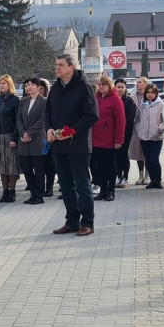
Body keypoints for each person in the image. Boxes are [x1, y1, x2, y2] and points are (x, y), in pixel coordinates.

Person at [48, 53, 100, 235]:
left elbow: (92, 116)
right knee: (65, 185)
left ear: (72, 67)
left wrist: (71, 131)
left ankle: (88, 222)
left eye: (61, 65)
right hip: (58, 146)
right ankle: (72, 221)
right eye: (56, 65)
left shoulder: (84, 87)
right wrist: (49, 129)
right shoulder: (55, 88)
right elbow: (48, 112)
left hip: (78, 145)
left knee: (82, 185)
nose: (57, 68)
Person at [16, 77, 50, 204]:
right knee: (26, 168)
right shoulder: (23, 101)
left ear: (39, 87)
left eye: (31, 85)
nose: (28, 87)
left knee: (39, 169)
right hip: (24, 141)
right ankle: (33, 193)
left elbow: (42, 120)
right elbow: (18, 119)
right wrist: (23, 133)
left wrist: (29, 133)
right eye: (26, 85)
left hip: (37, 139)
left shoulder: (45, 102)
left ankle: (39, 195)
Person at [91, 76, 125, 202]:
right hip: (96, 138)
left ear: (109, 86)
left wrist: (119, 140)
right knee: (98, 166)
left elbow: (121, 120)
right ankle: (103, 190)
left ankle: (111, 190)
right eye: (99, 84)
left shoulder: (115, 99)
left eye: (103, 85)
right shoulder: (96, 98)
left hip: (109, 139)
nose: (101, 87)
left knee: (110, 166)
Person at [0, 75, 22, 203]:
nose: (1, 86)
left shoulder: (15, 100)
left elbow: (17, 121)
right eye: (0, 84)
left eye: (4, 83)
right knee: (2, 166)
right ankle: (5, 191)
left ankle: (12, 191)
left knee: (11, 165)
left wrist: (14, 138)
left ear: (9, 85)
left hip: (10, 136)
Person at [135, 83, 164, 189]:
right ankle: (152, 180)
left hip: (156, 136)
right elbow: (137, 119)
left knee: (154, 159)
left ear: (156, 93)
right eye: (148, 92)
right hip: (144, 136)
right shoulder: (142, 105)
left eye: (152, 93)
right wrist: (138, 129)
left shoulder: (160, 104)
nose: (150, 95)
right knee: (148, 159)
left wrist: (159, 128)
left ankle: (158, 180)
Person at [114, 78, 136, 187]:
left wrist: (120, 124)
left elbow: (131, 117)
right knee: (116, 156)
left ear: (125, 88)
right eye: (118, 87)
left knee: (123, 154)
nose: (120, 89)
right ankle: (118, 176)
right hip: (113, 132)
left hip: (125, 132)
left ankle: (125, 177)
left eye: (122, 87)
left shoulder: (129, 101)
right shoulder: (112, 99)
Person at [129, 77, 150, 184]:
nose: (137, 84)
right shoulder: (132, 97)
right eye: (136, 82)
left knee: (148, 153)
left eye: (140, 82)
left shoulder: (151, 96)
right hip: (136, 128)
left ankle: (147, 176)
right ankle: (140, 175)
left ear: (146, 84)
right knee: (138, 153)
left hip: (149, 128)